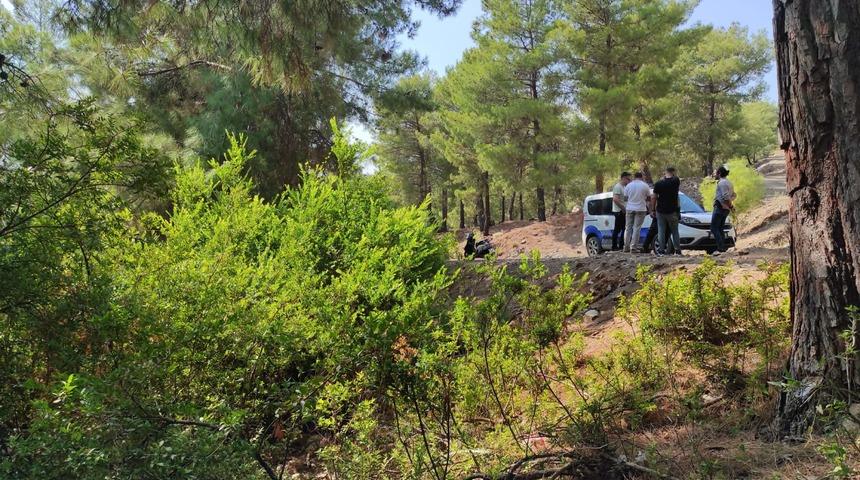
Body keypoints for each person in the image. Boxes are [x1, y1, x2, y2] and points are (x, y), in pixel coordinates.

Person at [652, 166, 682, 256]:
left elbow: (654, 197)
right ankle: (677, 250)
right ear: (673, 172)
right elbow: (673, 178)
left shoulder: (658, 184)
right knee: (675, 231)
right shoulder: (675, 181)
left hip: (660, 210)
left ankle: (661, 250)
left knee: (661, 230)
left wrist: (653, 209)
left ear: (665, 172)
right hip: (672, 210)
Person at [710, 166, 736, 255]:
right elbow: (734, 195)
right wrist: (730, 206)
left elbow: (725, 197)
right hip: (725, 208)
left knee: (714, 228)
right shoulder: (729, 182)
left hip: (720, 207)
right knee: (720, 228)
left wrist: (729, 205)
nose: (714, 174)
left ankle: (721, 248)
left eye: (715, 173)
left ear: (719, 173)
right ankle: (722, 248)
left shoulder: (722, 183)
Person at [622, 172, 650, 253]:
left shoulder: (628, 185)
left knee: (628, 228)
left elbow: (625, 198)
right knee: (637, 228)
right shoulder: (645, 185)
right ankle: (633, 247)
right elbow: (648, 199)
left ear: (634, 177)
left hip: (630, 208)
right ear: (641, 177)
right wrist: (649, 208)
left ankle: (626, 247)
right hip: (641, 208)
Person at [611, 172, 631, 250]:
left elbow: (625, 199)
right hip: (619, 211)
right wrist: (623, 208)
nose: (629, 181)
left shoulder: (625, 187)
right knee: (617, 229)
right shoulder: (618, 187)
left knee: (624, 229)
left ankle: (621, 245)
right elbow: (615, 199)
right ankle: (614, 246)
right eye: (628, 179)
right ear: (623, 178)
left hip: (624, 210)